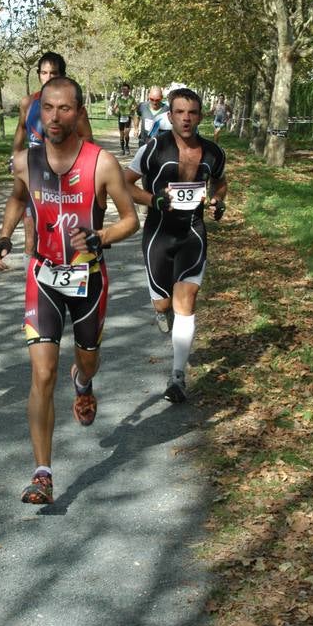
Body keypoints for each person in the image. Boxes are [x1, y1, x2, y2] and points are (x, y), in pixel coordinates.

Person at [0, 76, 139, 505]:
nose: (55, 118)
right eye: (48, 109)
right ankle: (42, 473)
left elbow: (131, 219)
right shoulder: (25, 161)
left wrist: (102, 236)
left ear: (78, 113)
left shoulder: (102, 163)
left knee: (87, 361)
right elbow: (19, 199)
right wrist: (4, 236)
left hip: (88, 280)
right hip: (43, 277)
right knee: (41, 372)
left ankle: (84, 382)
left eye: (64, 109)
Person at [123, 87, 227, 404]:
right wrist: (153, 200)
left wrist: (218, 201)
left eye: (192, 112)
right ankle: (163, 312)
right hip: (159, 232)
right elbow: (125, 184)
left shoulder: (213, 153)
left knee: (187, 301)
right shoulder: (154, 148)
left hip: (193, 232)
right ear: (171, 115)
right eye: (180, 112)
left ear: (200, 116)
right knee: (163, 305)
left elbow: (220, 182)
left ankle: (177, 377)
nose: (186, 118)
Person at [11, 52, 93, 258]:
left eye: (53, 73)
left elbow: (88, 138)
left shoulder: (70, 108)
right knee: (30, 232)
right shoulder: (28, 103)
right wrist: (16, 155)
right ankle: (32, 276)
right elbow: (21, 129)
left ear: (62, 75)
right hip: (36, 174)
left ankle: (66, 272)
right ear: (38, 75)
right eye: (44, 73)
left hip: (64, 176)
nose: (48, 77)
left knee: (63, 233)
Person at [112, 82, 137, 156]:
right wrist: (114, 111)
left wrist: (132, 110)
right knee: (121, 134)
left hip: (128, 117)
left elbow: (136, 105)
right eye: (123, 89)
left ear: (128, 90)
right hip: (121, 117)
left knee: (126, 134)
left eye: (125, 89)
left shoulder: (131, 98)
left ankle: (127, 146)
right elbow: (115, 107)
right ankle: (122, 149)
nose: (124, 90)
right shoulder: (119, 98)